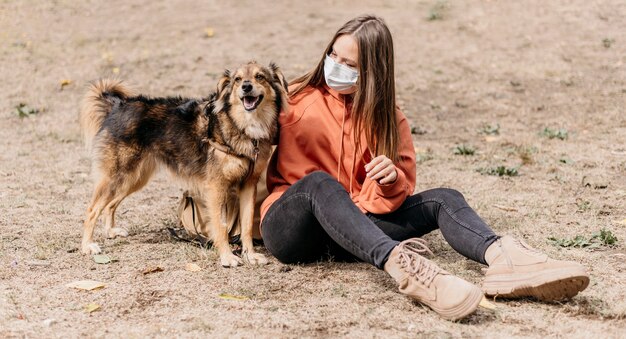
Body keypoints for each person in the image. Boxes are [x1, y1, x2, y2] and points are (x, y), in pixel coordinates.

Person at [258, 15, 590, 321]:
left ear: (373, 71)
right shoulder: (293, 99)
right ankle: (405, 269)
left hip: (354, 231)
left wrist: (391, 179)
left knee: (444, 198)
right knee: (319, 183)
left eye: (349, 64)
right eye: (333, 56)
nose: (336, 67)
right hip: (295, 231)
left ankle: (506, 258)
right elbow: (236, 137)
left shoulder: (388, 118)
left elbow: (400, 185)